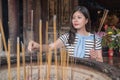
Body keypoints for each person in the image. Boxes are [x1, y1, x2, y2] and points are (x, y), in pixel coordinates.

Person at [28, 6, 103, 62]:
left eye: (79, 17)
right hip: (71, 73)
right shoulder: (68, 37)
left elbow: (100, 61)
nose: (75, 20)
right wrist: (38, 46)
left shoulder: (95, 39)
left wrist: (95, 58)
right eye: (73, 18)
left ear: (86, 20)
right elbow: (50, 47)